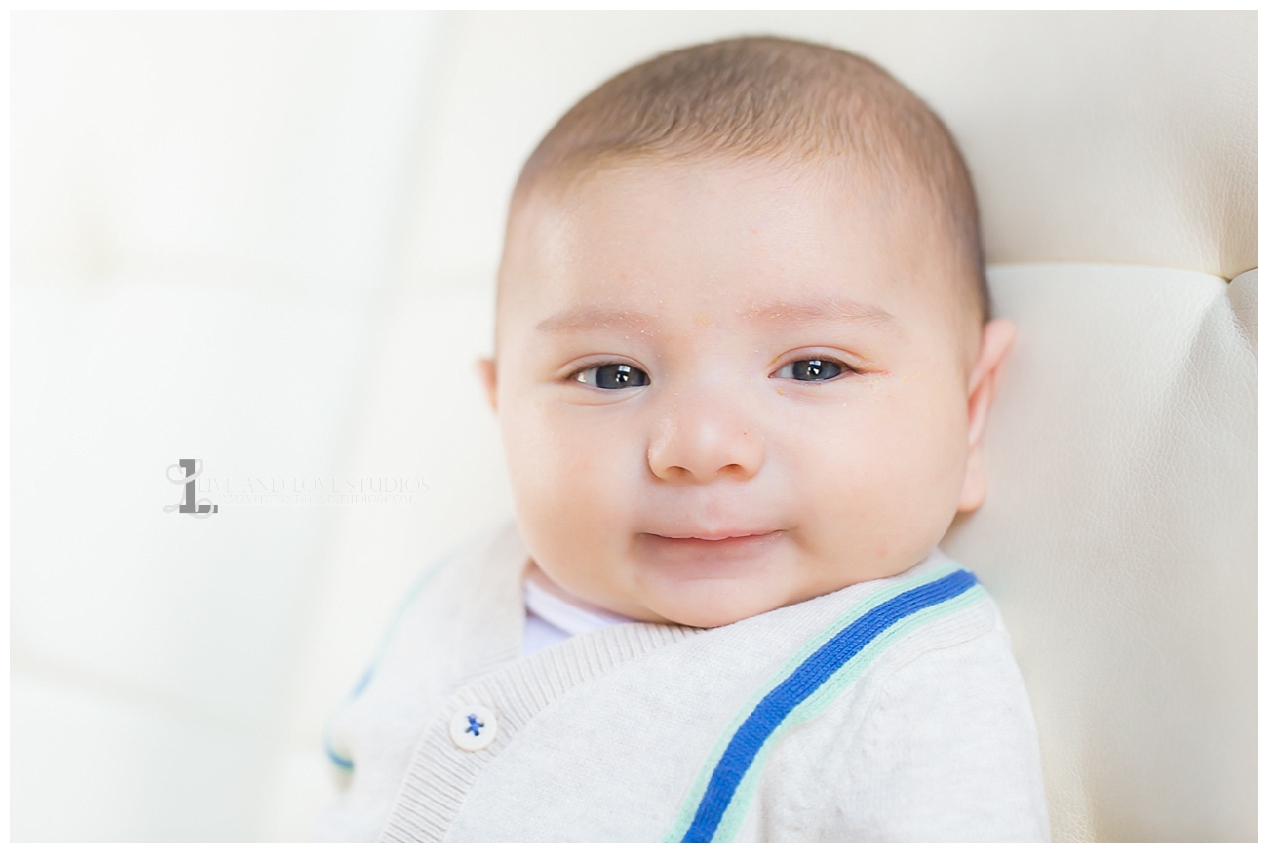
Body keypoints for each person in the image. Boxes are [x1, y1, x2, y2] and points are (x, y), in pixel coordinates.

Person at [315, 36, 1048, 842]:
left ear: (971, 409)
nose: (699, 445)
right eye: (611, 375)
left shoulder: (908, 687)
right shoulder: (459, 590)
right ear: (504, 411)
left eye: (811, 367)